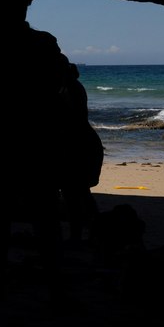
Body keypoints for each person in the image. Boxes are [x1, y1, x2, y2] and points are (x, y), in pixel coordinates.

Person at [0, 0, 68, 299]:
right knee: (45, 212)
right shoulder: (44, 42)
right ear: (23, 7)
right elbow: (58, 80)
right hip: (37, 135)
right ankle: (53, 282)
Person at [57, 57, 103, 247]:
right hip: (82, 143)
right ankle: (91, 232)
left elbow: (68, 119)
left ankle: (81, 235)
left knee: (75, 193)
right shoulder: (71, 87)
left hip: (77, 145)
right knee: (78, 192)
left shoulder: (68, 90)